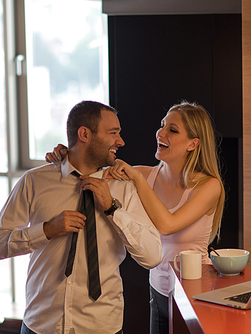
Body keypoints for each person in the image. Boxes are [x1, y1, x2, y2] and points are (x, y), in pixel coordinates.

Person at [46, 101, 225, 334]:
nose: (161, 133)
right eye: (162, 126)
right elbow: (85, 171)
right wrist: (65, 155)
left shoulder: (208, 185)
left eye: (172, 130)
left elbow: (167, 225)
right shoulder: (142, 175)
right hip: (158, 291)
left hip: (195, 294)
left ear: (193, 143)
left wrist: (137, 180)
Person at [0, 100, 162, 334]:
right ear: (84, 134)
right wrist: (46, 230)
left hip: (101, 326)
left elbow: (153, 256)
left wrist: (112, 209)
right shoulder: (35, 181)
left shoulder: (123, 188)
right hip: (42, 325)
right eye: (113, 133)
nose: (120, 142)